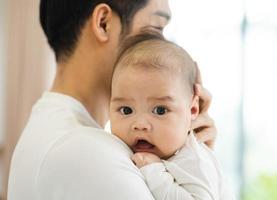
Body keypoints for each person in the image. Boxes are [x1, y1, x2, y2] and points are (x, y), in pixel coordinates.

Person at [8, 0, 217, 199]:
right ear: (104, 23)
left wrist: (196, 161)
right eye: (157, 29)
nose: (162, 47)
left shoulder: (53, 128)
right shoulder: (87, 151)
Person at [110, 34, 231, 200]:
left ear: (193, 110)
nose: (139, 124)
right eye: (126, 110)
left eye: (160, 110)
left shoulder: (194, 160)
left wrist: (154, 171)